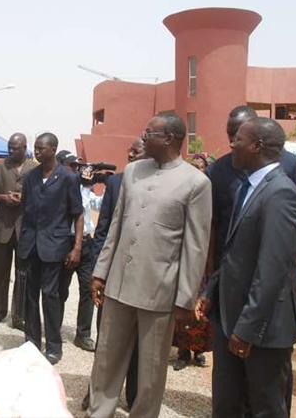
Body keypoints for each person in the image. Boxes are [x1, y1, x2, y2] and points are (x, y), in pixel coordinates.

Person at [88, 114, 212, 418]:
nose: (142, 138)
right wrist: (100, 272)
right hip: (118, 284)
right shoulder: (132, 172)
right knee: (106, 360)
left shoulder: (196, 183)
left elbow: (195, 247)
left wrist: (185, 298)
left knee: (151, 370)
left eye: (149, 133)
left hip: (160, 292)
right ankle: (98, 412)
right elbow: (116, 226)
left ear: (169, 138)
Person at [206, 105, 296, 415]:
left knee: (264, 406)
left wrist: (248, 328)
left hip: (262, 325)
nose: (231, 144)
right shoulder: (249, 186)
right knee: (228, 402)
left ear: (257, 146)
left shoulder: (281, 192)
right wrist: (210, 291)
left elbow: (272, 268)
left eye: (237, 139)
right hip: (233, 315)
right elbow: (234, 253)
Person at [81, 137, 145, 412]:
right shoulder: (116, 183)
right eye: (129, 149)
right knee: (105, 341)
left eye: (137, 149)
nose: (130, 153)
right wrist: (99, 271)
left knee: (140, 344)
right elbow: (103, 229)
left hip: (144, 279)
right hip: (112, 276)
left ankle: (133, 396)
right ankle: (96, 393)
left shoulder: (163, 182)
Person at [18, 133, 83, 365]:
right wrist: (23, 239)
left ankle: (54, 346)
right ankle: (32, 343)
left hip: (55, 247)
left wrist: (76, 247)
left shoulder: (68, 178)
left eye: (41, 148)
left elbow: (77, 214)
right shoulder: (30, 177)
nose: (36, 152)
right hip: (31, 245)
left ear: (53, 149)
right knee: (30, 296)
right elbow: (25, 210)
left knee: (51, 296)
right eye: (35, 148)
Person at [0, 133, 37, 328]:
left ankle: (19, 315)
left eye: (16, 148)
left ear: (25, 148)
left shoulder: (35, 168)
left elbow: (40, 195)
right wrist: (3, 198)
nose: (12, 151)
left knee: (23, 274)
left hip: (25, 229)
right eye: (10, 148)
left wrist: (24, 198)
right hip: (2, 228)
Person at [172, 152, 213, 371]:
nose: (198, 170)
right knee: (182, 306)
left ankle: (198, 352)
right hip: (183, 260)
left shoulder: (209, 193)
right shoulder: (183, 191)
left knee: (200, 312)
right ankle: (182, 351)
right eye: (194, 166)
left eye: (202, 167)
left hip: (204, 263)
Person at [58, 152, 101, 352]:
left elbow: (97, 204)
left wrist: (105, 183)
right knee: (60, 290)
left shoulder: (85, 188)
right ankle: (54, 328)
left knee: (87, 290)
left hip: (86, 243)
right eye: (71, 166)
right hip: (65, 245)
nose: (76, 169)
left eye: (78, 166)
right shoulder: (58, 186)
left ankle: (83, 334)